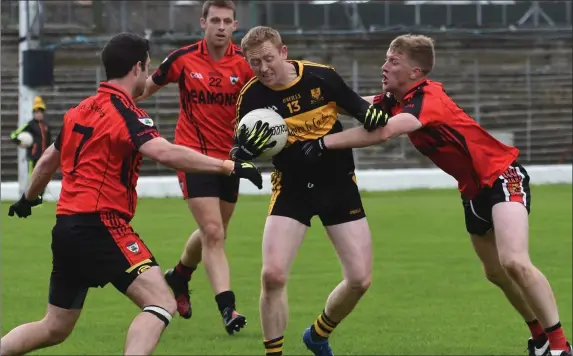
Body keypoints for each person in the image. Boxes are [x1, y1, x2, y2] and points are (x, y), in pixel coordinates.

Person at [298, 34, 572, 356]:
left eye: (393, 62)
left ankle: (559, 346)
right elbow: (357, 106)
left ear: (415, 72)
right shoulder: (394, 99)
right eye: (386, 59)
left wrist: (322, 143)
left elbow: (383, 131)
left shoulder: (427, 98)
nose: (384, 66)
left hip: (501, 175)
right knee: (495, 272)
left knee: (514, 260)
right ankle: (538, 337)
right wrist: (307, 103)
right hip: (472, 191)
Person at [1, 32, 262, 356]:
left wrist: (28, 199)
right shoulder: (126, 112)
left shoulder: (79, 110)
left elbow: (46, 162)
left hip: (67, 228)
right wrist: (227, 166)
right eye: (148, 66)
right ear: (137, 68)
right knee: (161, 301)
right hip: (102, 224)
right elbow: (165, 153)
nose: (148, 74)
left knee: (54, 327)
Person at [230, 26, 388, 356]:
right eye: (254, 63)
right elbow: (241, 144)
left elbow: (359, 109)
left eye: (268, 59)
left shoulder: (321, 77)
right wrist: (241, 155)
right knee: (272, 275)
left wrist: (370, 116)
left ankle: (318, 334)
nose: (263, 69)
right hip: (292, 189)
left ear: (283, 52)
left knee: (360, 279)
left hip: (339, 185)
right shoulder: (252, 96)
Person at [134, 0, 254, 333]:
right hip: (193, 158)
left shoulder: (246, 65)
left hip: (231, 160)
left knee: (215, 232)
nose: (220, 26)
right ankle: (228, 310)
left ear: (235, 26)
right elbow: (142, 89)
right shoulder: (183, 59)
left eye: (226, 21)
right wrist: (115, 106)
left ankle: (179, 274)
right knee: (213, 233)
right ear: (202, 23)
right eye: (214, 20)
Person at [10, 95, 53, 199]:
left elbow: (50, 142)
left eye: (40, 112)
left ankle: (39, 198)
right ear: (34, 113)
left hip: (45, 158)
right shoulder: (30, 125)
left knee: (43, 179)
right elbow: (13, 135)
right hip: (33, 157)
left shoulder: (46, 126)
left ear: (43, 113)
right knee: (33, 179)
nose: (38, 114)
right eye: (36, 112)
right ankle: (30, 198)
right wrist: (20, 142)